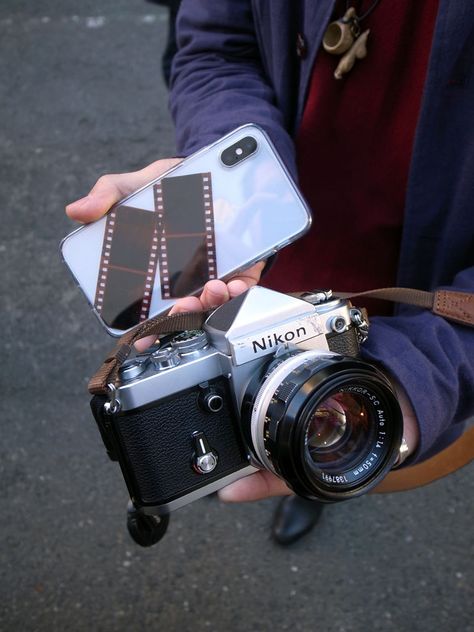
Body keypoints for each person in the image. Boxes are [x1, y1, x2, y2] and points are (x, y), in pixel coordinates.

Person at [66, 1, 474, 545]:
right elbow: (216, 47)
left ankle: (315, 471)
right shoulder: (248, 224)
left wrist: (419, 380)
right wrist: (236, 186)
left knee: (329, 433)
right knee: (266, 430)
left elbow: (413, 382)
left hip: (423, 290)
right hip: (260, 251)